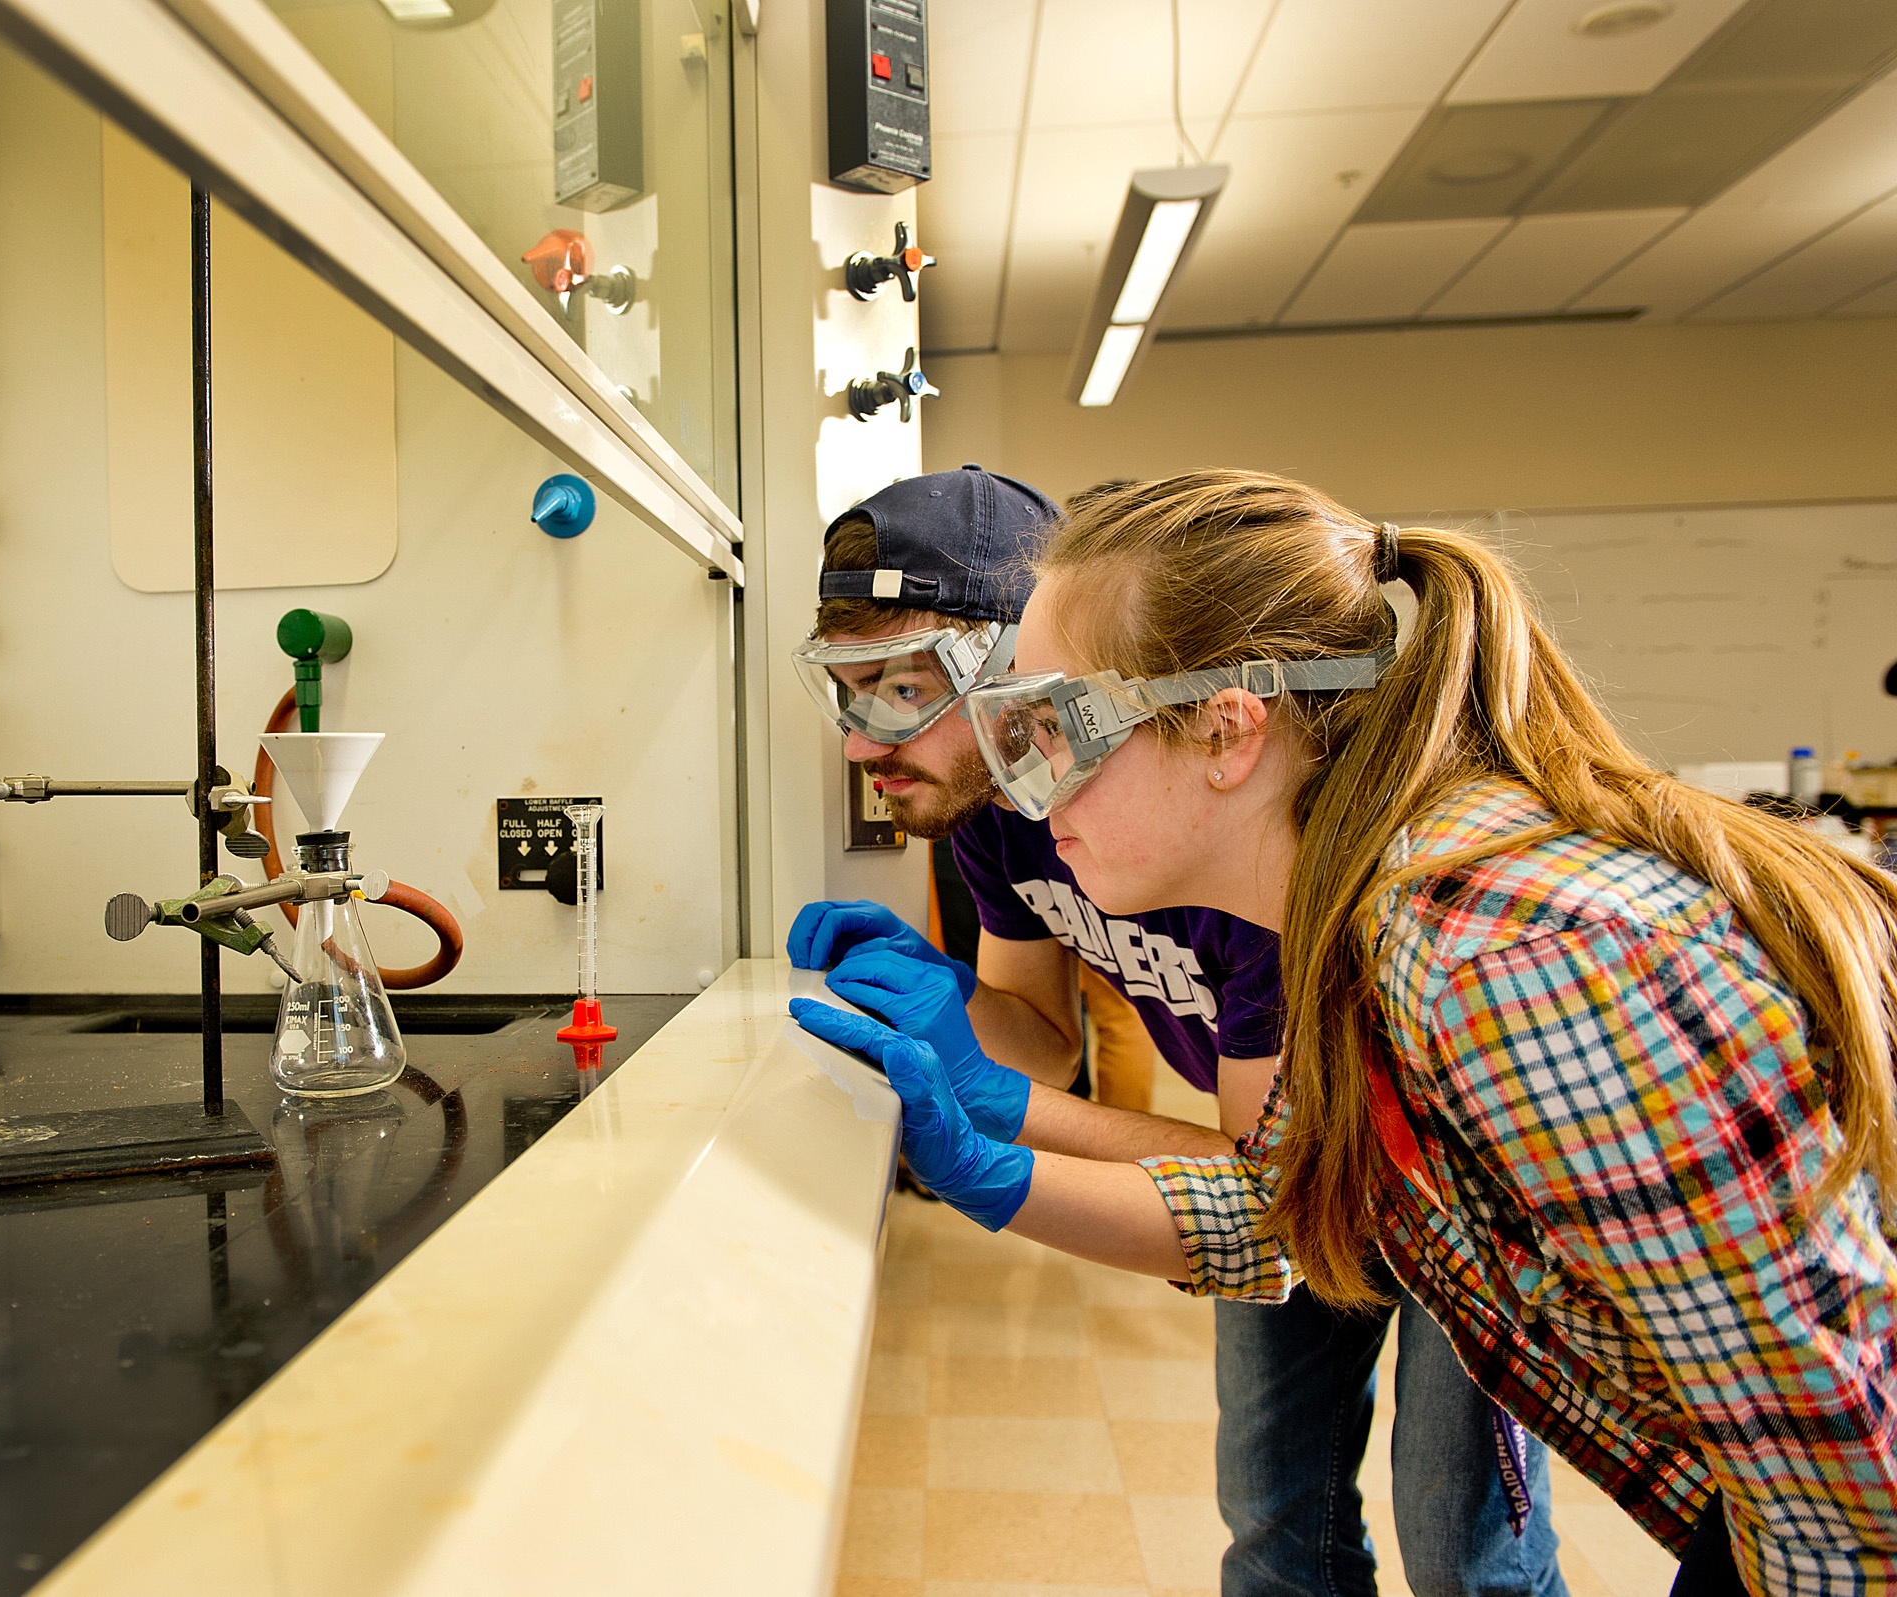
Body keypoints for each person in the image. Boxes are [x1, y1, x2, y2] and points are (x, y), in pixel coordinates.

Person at [794, 470, 1897, 1595]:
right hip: (1759, 1506)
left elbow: (1845, 1496)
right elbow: (1306, 1208)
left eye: (1049, 732)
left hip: (1824, 1518)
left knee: (1465, 1546)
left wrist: (1013, 1126)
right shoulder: (1353, 916)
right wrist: (992, 1165)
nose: (1025, 791)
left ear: (1227, 730)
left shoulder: (1502, 965)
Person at [788, 467, 1566, 1597]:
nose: (863, 745)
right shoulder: (1008, 828)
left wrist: (1001, 1123)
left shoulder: (1246, 858)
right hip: (1305, 1159)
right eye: (847, 694)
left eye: (903, 688)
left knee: (1459, 1544)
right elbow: (1050, 1035)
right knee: (1272, 1508)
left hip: (1440, 1168)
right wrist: (951, 1017)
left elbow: (1279, 1198)